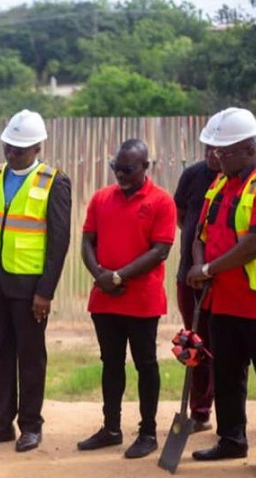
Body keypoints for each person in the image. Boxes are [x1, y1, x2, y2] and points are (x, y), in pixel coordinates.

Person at [187, 107, 256, 477]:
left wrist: (207, 269)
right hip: (225, 301)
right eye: (216, 150)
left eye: (225, 150)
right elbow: (200, 233)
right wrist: (200, 266)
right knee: (228, 373)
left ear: (250, 147)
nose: (216, 156)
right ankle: (231, 438)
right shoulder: (219, 184)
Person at [0, 110, 72, 453]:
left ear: (38, 147)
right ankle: (0, 424)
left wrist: (45, 291)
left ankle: (30, 425)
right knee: (0, 354)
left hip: (29, 287)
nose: (12, 153)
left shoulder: (54, 181)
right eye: (9, 146)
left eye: (20, 149)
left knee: (30, 356)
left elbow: (59, 241)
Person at [79, 139, 176, 459]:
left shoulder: (161, 201)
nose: (120, 174)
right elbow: (87, 242)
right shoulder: (101, 198)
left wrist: (118, 276)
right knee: (111, 364)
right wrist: (100, 277)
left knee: (145, 364)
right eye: (116, 168)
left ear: (145, 167)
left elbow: (160, 250)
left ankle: (148, 431)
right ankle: (111, 428)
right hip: (105, 299)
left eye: (127, 169)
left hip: (141, 299)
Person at [173, 142, 219, 433]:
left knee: (224, 346)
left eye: (218, 149)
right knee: (195, 343)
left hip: (223, 278)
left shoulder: (239, 181)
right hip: (187, 274)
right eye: (207, 148)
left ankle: (230, 417)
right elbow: (182, 218)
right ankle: (199, 412)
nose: (212, 154)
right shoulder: (192, 175)